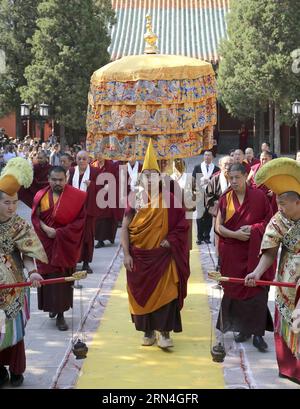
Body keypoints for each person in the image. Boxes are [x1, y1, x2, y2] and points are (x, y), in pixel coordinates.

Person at [121, 139, 190, 349]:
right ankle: (148, 331)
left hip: (162, 256)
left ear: (159, 178)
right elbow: (125, 226)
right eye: (146, 177)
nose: (149, 180)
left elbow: (182, 225)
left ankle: (165, 333)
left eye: (153, 176)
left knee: (166, 293)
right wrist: (126, 254)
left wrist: (171, 240)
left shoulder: (169, 198)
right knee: (140, 292)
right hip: (140, 256)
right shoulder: (135, 198)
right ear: (140, 179)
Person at [245, 158, 300, 385]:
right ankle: (290, 369)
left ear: (297, 202)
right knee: (288, 324)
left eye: (284, 204)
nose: (280, 209)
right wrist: (257, 273)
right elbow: (269, 252)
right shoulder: (278, 221)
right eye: (278, 204)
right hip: (286, 281)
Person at [215, 163, 275, 351]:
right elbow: (219, 226)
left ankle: (258, 334)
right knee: (235, 290)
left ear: (246, 176)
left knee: (256, 292)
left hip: (255, 252)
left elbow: (270, 222)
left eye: (237, 177)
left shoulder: (259, 197)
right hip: (233, 252)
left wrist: (254, 228)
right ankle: (243, 330)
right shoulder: (225, 198)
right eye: (230, 178)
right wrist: (235, 235)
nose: (233, 181)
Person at [0, 158, 47, 387]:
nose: (12, 207)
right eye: (7, 202)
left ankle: (17, 369)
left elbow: (28, 253)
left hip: (14, 286)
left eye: (15, 202)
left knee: (13, 330)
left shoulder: (18, 224)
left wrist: (33, 273)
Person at [32, 166, 86, 331]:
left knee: (62, 281)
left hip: (64, 245)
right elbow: (35, 217)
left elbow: (80, 222)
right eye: (54, 179)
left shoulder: (76, 197)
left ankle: (61, 315)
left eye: (60, 180)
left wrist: (59, 233)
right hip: (45, 244)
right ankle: (52, 308)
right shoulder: (41, 196)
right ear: (48, 179)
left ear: (66, 179)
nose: (57, 182)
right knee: (48, 278)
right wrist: (45, 229)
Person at [68, 151, 101, 274]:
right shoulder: (71, 171)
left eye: (84, 158)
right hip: (73, 210)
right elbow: (66, 187)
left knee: (88, 237)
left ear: (88, 160)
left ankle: (86, 263)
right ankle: (73, 261)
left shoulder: (95, 172)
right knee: (73, 236)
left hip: (88, 209)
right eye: (79, 158)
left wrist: (92, 185)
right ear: (75, 159)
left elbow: (103, 189)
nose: (81, 161)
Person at [205, 156, 233, 267]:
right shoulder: (215, 180)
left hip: (235, 215)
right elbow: (208, 198)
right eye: (225, 164)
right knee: (219, 240)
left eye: (230, 163)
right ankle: (219, 263)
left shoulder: (237, 179)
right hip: (219, 216)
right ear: (220, 166)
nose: (228, 166)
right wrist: (221, 205)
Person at [91, 153, 118, 248]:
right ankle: (100, 240)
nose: (99, 157)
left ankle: (111, 237)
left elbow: (116, 178)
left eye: (101, 154)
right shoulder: (93, 165)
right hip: (97, 194)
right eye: (97, 155)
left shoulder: (111, 165)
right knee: (99, 218)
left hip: (110, 194)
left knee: (110, 218)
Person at [193, 151, 220, 244]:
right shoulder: (197, 167)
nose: (207, 157)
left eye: (209, 155)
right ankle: (199, 237)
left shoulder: (216, 169)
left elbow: (218, 182)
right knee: (200, 215)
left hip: (211, 195)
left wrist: (210, 182)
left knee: (209, 216)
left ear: (212, 157)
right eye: (205, 155)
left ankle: (206, 236)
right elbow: (193, 180)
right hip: (200, 194)